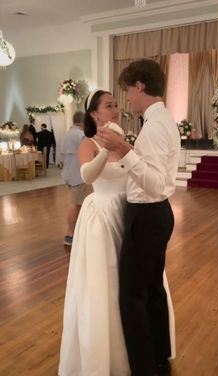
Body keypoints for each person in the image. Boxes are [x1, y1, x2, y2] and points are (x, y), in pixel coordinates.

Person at [58, 89, 175, 376]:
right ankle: (108, 354)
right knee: (106, 285)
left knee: (134, 285)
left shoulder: (124, 139)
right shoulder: (88, 142)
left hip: (129, 213)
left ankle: (144, 346)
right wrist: (109, 151)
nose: (116, 110)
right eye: (108, 105)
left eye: (116, 105)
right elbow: (87, 176)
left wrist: (123, 147)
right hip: (101, 216)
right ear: (94, 114)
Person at [97, 59, 180, 376]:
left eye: (128, 91)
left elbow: (156, 183)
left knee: (132, 296)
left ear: (140, 86)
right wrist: (129, 150)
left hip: (147, 214)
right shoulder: (159, 121)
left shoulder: (156, 125)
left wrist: (123, 149)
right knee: (152, 290)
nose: (127, 99)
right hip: (154, 214)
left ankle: (145, 368)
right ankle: (160, 358)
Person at [61, 111, 92, 247]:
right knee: (76, 205)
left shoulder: (66, 134)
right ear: (82, 122)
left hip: (68, 174)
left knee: (78, 205)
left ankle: (76, 233)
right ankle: (70, 235)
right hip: (78, 176)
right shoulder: (81, 136)